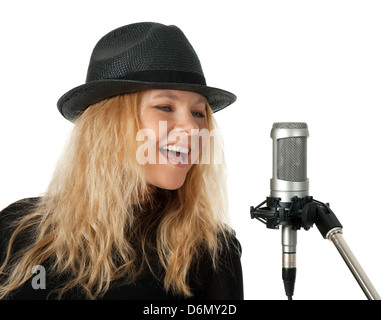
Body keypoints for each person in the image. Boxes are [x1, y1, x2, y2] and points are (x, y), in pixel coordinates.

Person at [0, 22, 243, 300]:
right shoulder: (17, 230)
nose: (192, 128)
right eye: (165, 107)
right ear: (109, 126)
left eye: (199, 113)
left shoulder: (208, 251)